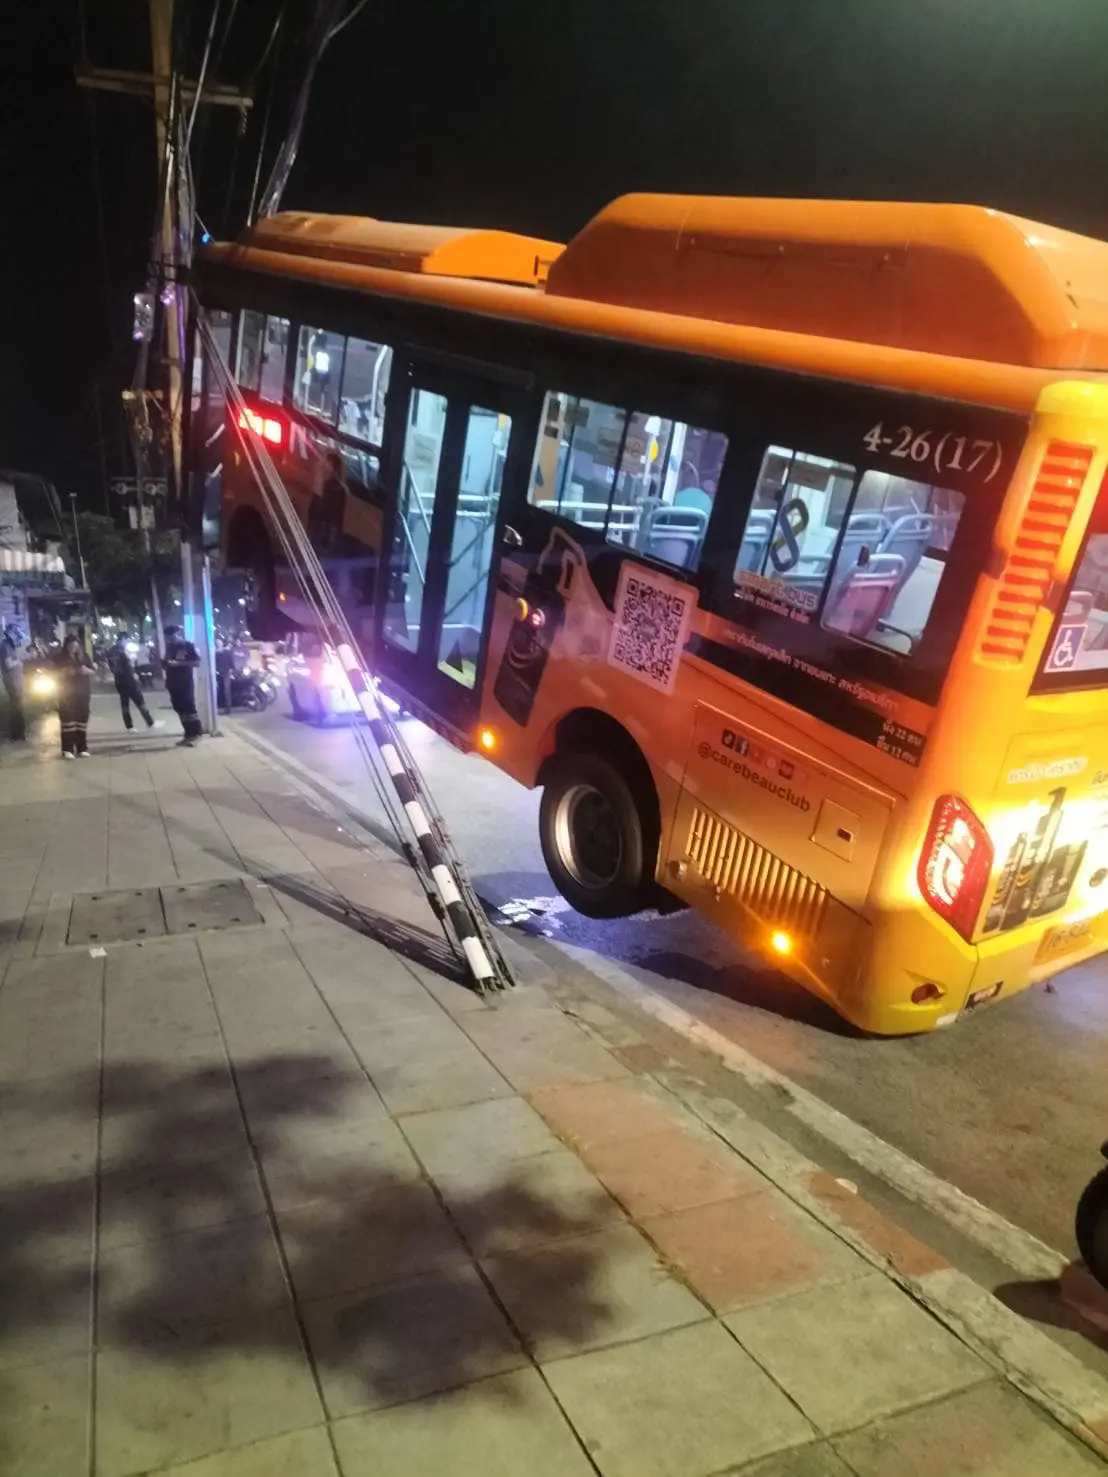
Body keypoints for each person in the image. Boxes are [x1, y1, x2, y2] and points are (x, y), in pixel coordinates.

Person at [109, 634, 160, 732]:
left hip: (122, 681)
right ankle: (147, 723)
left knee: (127, 703)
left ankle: (132, 726)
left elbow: (116, 668)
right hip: (127, 681)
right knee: (138, 702)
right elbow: (123, 667)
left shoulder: (115, 652)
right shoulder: (121, 654)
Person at [163, 624, 202, 746]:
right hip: (172, 683)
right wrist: (165, 663)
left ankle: (196, 734)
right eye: (167, 638)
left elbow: (197, 662)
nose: (168, 640)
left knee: (189, 708)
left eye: (170, 637)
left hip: (185, 682)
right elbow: (166, 663)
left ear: (176, 634)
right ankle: (188, 733)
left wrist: (179, 664)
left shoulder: (188, 645)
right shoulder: (170, 647)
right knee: (179, 708)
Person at [57, 633, 94, 758]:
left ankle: (82, 748)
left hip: (83, 693)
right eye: (71, 646)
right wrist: (71, 672)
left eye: (75, 646)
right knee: (68, 722)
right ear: (66, 646)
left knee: (81, 722)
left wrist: (86, 671)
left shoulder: (84, 657)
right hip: (66, 694)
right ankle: (67, 749)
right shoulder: (60, 658)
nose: (73, 648)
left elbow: (92, 670)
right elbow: (56, 673)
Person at [1, 624, 26, 741]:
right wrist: (19, 661)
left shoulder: (10, 645)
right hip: (12, 681)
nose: (18, 634)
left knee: (18, 706)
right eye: (16, 631)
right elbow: (9, 664)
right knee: (16, 707)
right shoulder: (6, 645)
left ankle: (19, 733)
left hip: (16, 680)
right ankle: (17, 734)